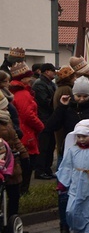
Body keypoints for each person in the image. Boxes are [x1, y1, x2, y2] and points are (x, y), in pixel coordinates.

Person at [9, 61, 45, 194]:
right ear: (23, 78)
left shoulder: (19, 92)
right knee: (27, 165)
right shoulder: (23, 94)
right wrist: (41, 126)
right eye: (28, 76)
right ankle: (23, 191)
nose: (31, 79)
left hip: (24, 132)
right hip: (27, 135)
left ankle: (22, 191)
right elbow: (28, 115)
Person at [0, 100, 28, 226]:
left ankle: (13, 222)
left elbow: (15, 138)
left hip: (11, 161)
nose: (8, 107)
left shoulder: (7, 119)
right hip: (1, 161)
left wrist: (23, 152)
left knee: (14, 194)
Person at [32, 62, 57, 179]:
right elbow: (45, 101)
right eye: (53, 71)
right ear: (47, 71)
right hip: (44, 119)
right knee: (44, 146)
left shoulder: (50, 84)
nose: (55, 73)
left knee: (51, 145)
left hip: (50, 119)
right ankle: (40, 170)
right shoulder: (39, 84)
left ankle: (47, 169)